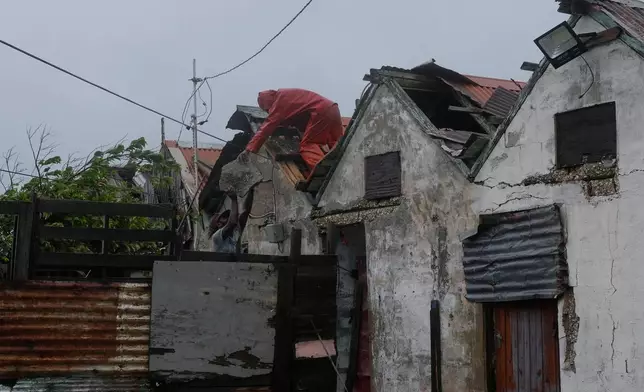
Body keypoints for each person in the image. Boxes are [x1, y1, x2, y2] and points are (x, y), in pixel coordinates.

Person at [240, 88, 344, 170]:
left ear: (268, 103)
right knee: (339, 143)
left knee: (307, 145)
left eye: (267, 109)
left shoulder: (279, 102)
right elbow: (297, 119)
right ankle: (346, 165)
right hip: (333, 108)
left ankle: (324, 171)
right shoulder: (288, 96)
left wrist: (248, 149)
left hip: (320, 112)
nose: (268, 112)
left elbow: (267, 126)